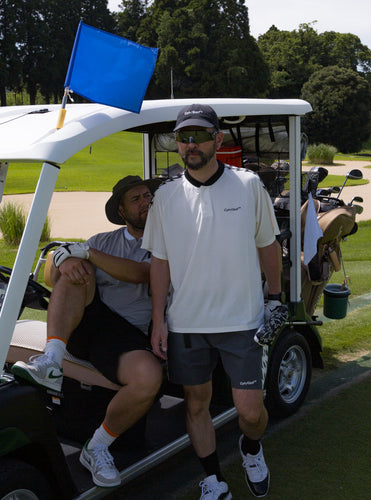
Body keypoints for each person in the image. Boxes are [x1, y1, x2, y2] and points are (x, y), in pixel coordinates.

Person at [142, 104, 282, 499]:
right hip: (186, 323)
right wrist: (158, 319)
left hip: (243, 320)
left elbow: (267, 245)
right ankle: (212, 478)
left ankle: (251, 448)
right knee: (196, 403)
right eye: (183, 138)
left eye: (200, 136)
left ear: (217, 140)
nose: (191, 144)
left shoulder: (249, 184)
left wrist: (274, 299)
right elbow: (160, 262)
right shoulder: (165, 196)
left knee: (250, 412)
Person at [12, 175, 163, 488]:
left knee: (149, 377)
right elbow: (53, 274)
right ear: (122, 212)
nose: (145, 203)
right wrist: (61, 261)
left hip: (128, 335)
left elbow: (142, 274)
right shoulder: (103, 239)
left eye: (148, 196)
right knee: (73, 272)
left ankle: (96, 448)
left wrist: (83, 254)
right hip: (89, 322)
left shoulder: (167, 242)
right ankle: (51, 360)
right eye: (135, 200)